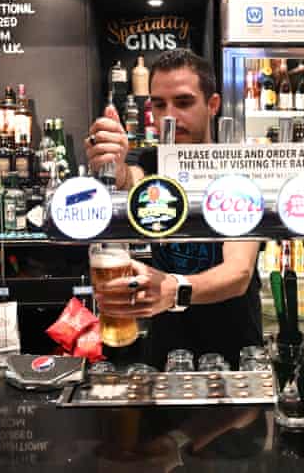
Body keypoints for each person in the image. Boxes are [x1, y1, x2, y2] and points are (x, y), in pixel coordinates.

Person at [85, 49, 262, 370]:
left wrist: (174, 289)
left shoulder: (237, 168)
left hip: (235, 351)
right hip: (166, 348)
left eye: (183, 102)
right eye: (158, 104)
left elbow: (239, 273)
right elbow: (130, 180)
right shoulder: (151, 163)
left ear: (213, 105)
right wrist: (113, 161)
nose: (169, 116)